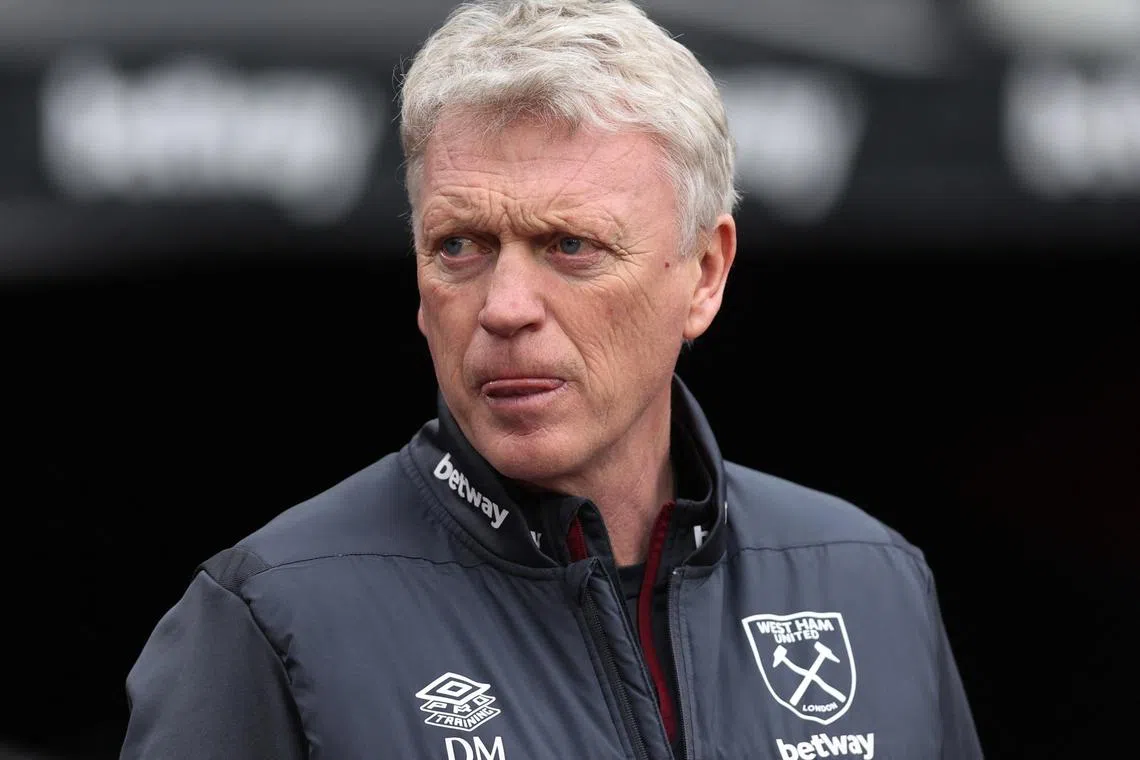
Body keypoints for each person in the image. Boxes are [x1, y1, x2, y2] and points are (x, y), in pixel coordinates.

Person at [120, 1, 983, 758]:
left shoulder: (869, 584)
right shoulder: (271, 619)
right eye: (460, 245)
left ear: (706, 274)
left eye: (571, 246)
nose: (504, 307)